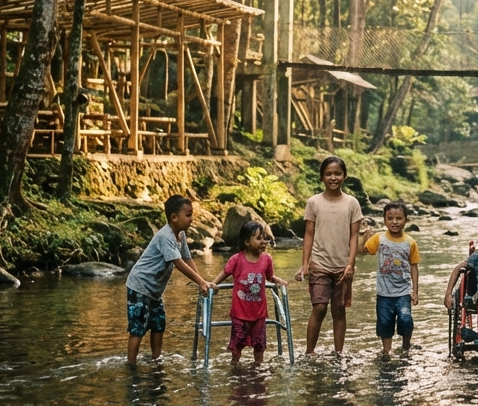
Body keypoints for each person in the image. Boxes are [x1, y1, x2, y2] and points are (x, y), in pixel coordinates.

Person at [126, 194, 211, 364]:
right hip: (139, 285)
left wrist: (202, 281)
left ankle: (156, 359)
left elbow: (187, 258)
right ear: (174, 217)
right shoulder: (165, 236)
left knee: (158, 324)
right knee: (138, 328)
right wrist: (201, 282)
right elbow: (178, 263)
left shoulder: (180, 235)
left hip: (154, 291)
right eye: (188, 215)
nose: (192, 219)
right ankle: (131, 365)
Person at [297, 155, 363, 354]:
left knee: (339, 311)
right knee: (319, 307)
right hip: (319, 264)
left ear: (344, 176)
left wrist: (350, 264)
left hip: (343, 266)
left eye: (337, 173)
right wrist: (305, 264)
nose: (333, 177)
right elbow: (308, 234)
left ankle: (338, 353)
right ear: (321, 177)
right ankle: (310, 352)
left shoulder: (352, 203)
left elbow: (354, 237)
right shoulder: (313, 202)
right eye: (328, 174)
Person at [211, 220, 286, 364]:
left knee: (259, 346)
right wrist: (212, 285)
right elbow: (225, 273)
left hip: (259, 314)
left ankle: (258, 369)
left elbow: (269, 276)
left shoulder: (267, 259)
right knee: (236, 346)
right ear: (247, 242)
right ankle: (235, 368)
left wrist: (278, 281)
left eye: (265, 238)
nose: (264, 241)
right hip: (239, 313)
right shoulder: (236, 259)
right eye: (259, 238)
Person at [358, 200, 419, 355]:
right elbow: (363, 252)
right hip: (383, 293)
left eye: (399, 218)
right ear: (384, 220)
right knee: (385, 322)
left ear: (406, 220)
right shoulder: (379, 238)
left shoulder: (410, 242)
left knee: (406, 319)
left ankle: (406, 345)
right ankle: (386, 351)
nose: (394, 222)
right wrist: (365, 237)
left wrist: (415, 291)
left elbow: (414, 266)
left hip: (403, 292)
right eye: (390, 218)